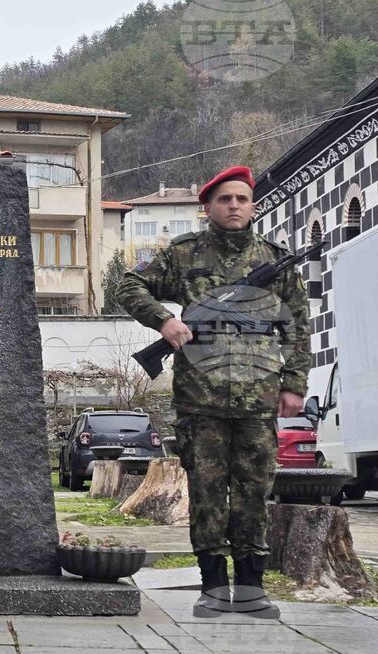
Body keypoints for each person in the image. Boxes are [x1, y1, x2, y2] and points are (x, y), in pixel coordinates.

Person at [117, 166, 309, 619]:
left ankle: (251, 587)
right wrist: (162, 320)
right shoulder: (183, 255)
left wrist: (294, 384)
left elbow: (298, 328)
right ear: (208, 208)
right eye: (225, 199)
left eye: (242, 198)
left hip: (258, 400)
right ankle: (213, 587)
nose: (235, 206)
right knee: (205, 493)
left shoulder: (274, 260)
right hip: (200, 400)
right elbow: (129, 283)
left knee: (253, 493)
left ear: (253, 204)